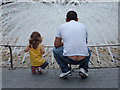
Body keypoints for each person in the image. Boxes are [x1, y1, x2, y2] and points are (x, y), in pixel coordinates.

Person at [53, 11, 91, 79]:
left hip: (69, 59)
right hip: (83, 59)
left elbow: (56, 45)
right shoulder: (83, 26)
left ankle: (65, 70)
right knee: (87, 49)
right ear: (77, 19)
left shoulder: (61, 27)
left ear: (66, 20)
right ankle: (83, 69)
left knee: (55, 50)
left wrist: (64, 43)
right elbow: (85, 42)